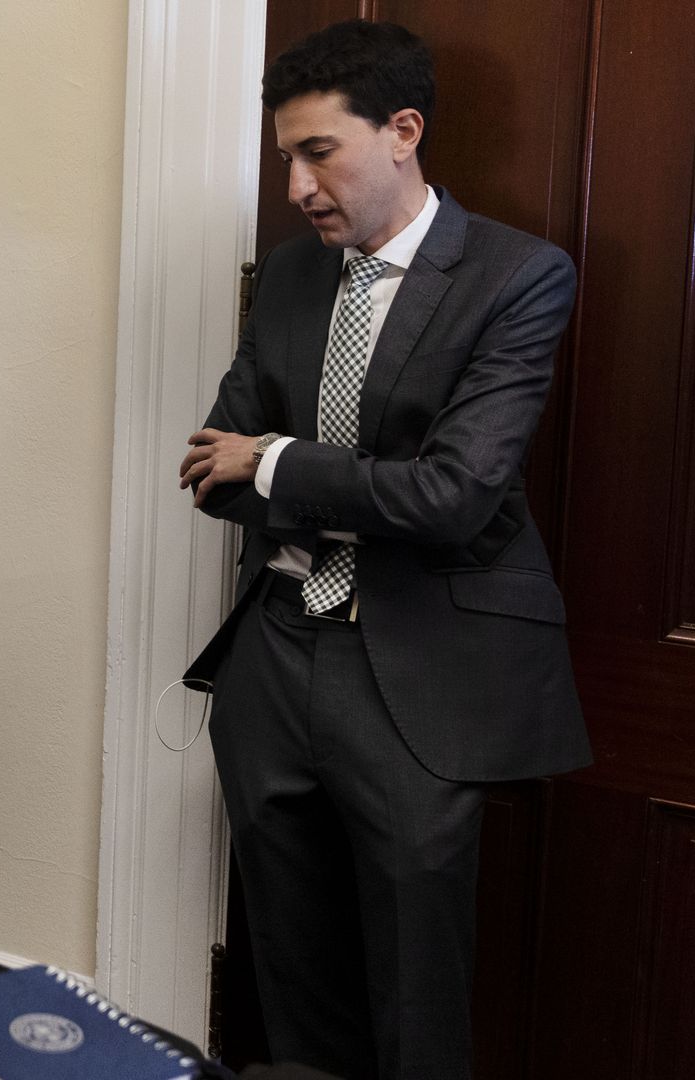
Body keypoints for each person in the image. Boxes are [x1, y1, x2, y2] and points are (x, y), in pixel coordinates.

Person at [176, 21, 590, 1080]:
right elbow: (208, 473)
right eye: (285, 159)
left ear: (402, 131)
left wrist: (273, 463)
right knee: (293, 985)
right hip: (275, 665)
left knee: (417, 993)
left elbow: (453, 497)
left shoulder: (517, 277)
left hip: (419, 677)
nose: (299, 184)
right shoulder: (291, 278)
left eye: (320, 152)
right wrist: (295, 474)